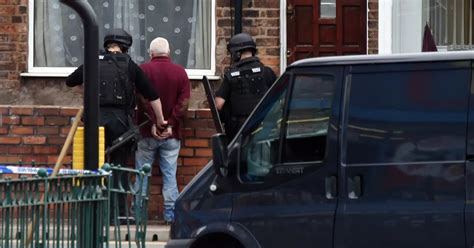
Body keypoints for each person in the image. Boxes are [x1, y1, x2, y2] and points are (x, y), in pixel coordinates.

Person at [65, 28, 167, 222]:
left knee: (92, 167)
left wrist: (88, 92)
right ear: (125, 46)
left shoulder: (93, 61)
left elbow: (70, 81)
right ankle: (117, 215)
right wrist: (160, 120)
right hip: (121, 123)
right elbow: (152, 95)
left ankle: (91, 215)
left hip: (95, 119)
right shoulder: (130, 66)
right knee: (118, 169)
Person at [135, 37, 190, 225]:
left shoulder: (143, 70)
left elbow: (141, 99)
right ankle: (171, 217)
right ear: (169, 52)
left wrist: (153, 122)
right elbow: (183, 104)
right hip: (171, 134)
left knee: (142, 176)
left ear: (151, 53)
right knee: (169, 176)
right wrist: (171, 124)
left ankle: (139, 217)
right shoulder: (180, 72)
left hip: (146, 133)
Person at [215, 32, 277, 139]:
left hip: (239, 131)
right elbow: (279, 98)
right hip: (264, 128)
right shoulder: (267, 72)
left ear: (237, 54)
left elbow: (219, 104)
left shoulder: (231, 76)